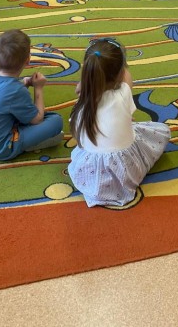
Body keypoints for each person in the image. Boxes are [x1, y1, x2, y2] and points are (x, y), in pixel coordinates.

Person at [68, 39, 170, 207]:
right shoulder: (123, 93)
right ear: (120, 73)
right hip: (123, 173)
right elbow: (127, 77)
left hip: (90, 176)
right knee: (162, 130)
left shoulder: (82, 103)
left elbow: (79, 138)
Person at [0, 29, 63, 160]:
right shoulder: (16, 90)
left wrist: (24, 84)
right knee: (56, 120)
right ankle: (25, 145)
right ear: (28, 60)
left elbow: (4, 97)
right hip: (0, 148)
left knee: (28, 114)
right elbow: (37, 119)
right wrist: (38, 88)